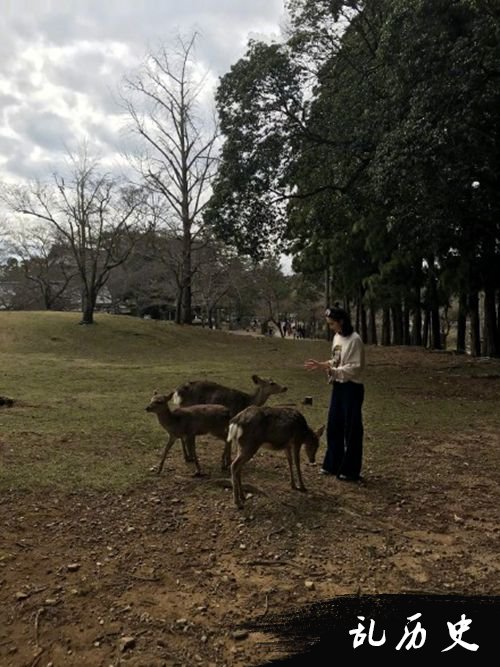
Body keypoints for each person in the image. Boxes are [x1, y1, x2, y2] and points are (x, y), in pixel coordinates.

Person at [304, 306, 365, 481]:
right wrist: (323, 365)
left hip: (352, 388)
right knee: (334, 425)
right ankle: (333, 464)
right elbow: (336, 360)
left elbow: (354, 368)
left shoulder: (355, 340)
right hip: (338, 386)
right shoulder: (337, 337)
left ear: (341, 322)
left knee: (351, 429)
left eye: (332, 324)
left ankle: (350, 470)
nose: (330, 327)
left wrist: (332, 370)